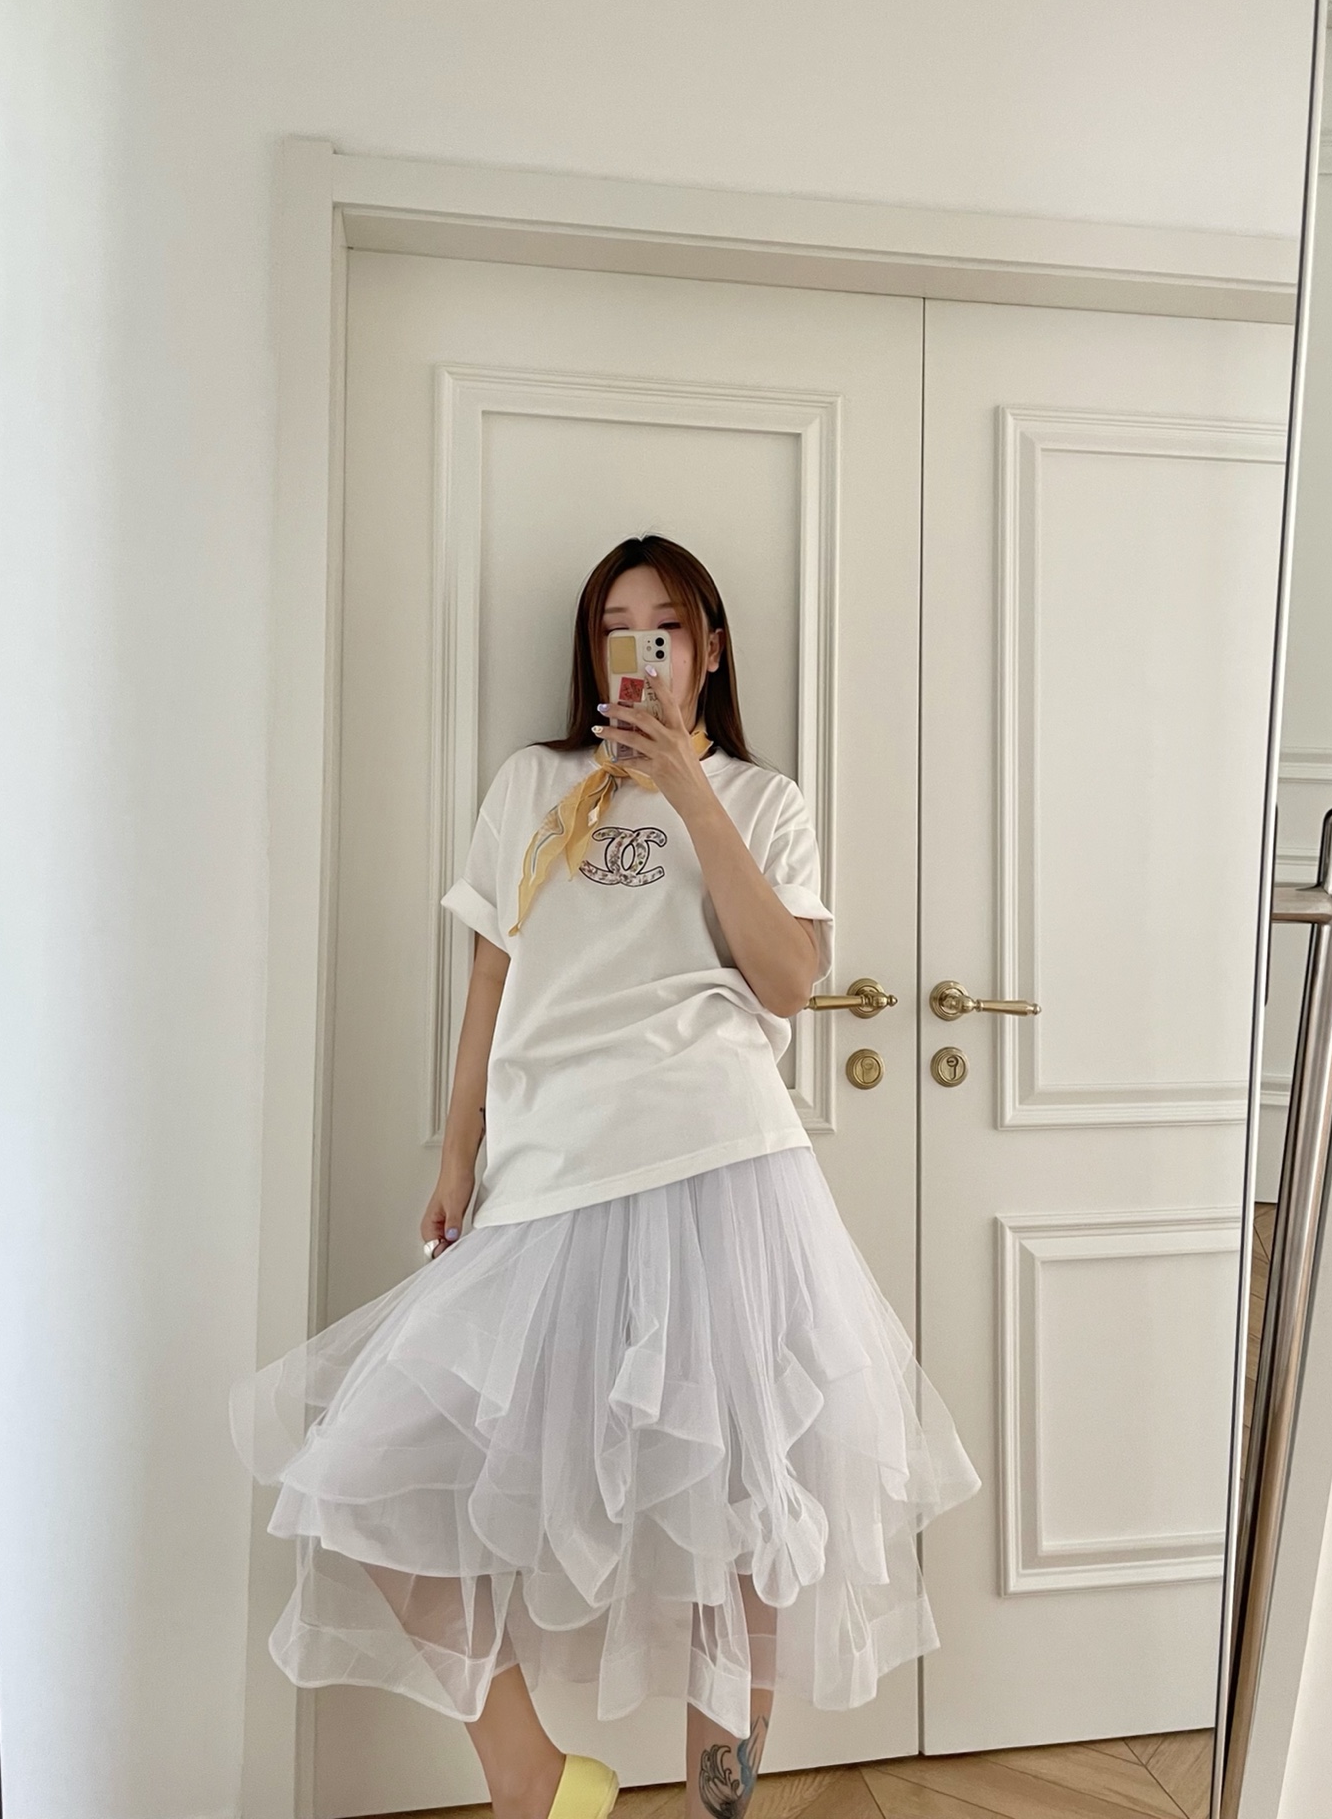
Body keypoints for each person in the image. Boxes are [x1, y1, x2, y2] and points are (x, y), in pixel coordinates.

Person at [230, 533, 979, 1819]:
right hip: (548, 1173)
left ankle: (720, 1802)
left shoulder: (763, 800)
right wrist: (456, 1154)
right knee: (360, 1469)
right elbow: (490, 974)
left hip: (725, 1166)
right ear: (595, 652)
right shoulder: (533, 784)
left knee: (747, 1511)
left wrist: (689, 789)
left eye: (669, 628)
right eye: (619, 628)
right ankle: (533, 1779)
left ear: (710, 649)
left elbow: (789, 983)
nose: (645, 651)